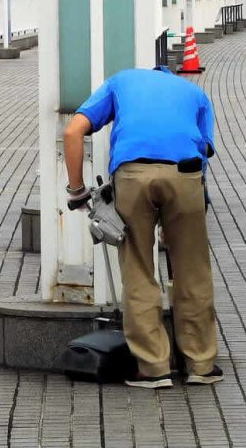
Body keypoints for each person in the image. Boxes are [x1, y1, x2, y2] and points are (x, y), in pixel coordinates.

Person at [63, 66, 221, 389]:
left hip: (133, 174)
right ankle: (200, 364)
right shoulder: (195, 93)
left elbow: (72, 132)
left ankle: (152, 368)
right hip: (185, 172)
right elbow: (204, 150)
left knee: (138, 267)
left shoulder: (121, 82)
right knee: (192, 268)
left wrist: (77, 190)